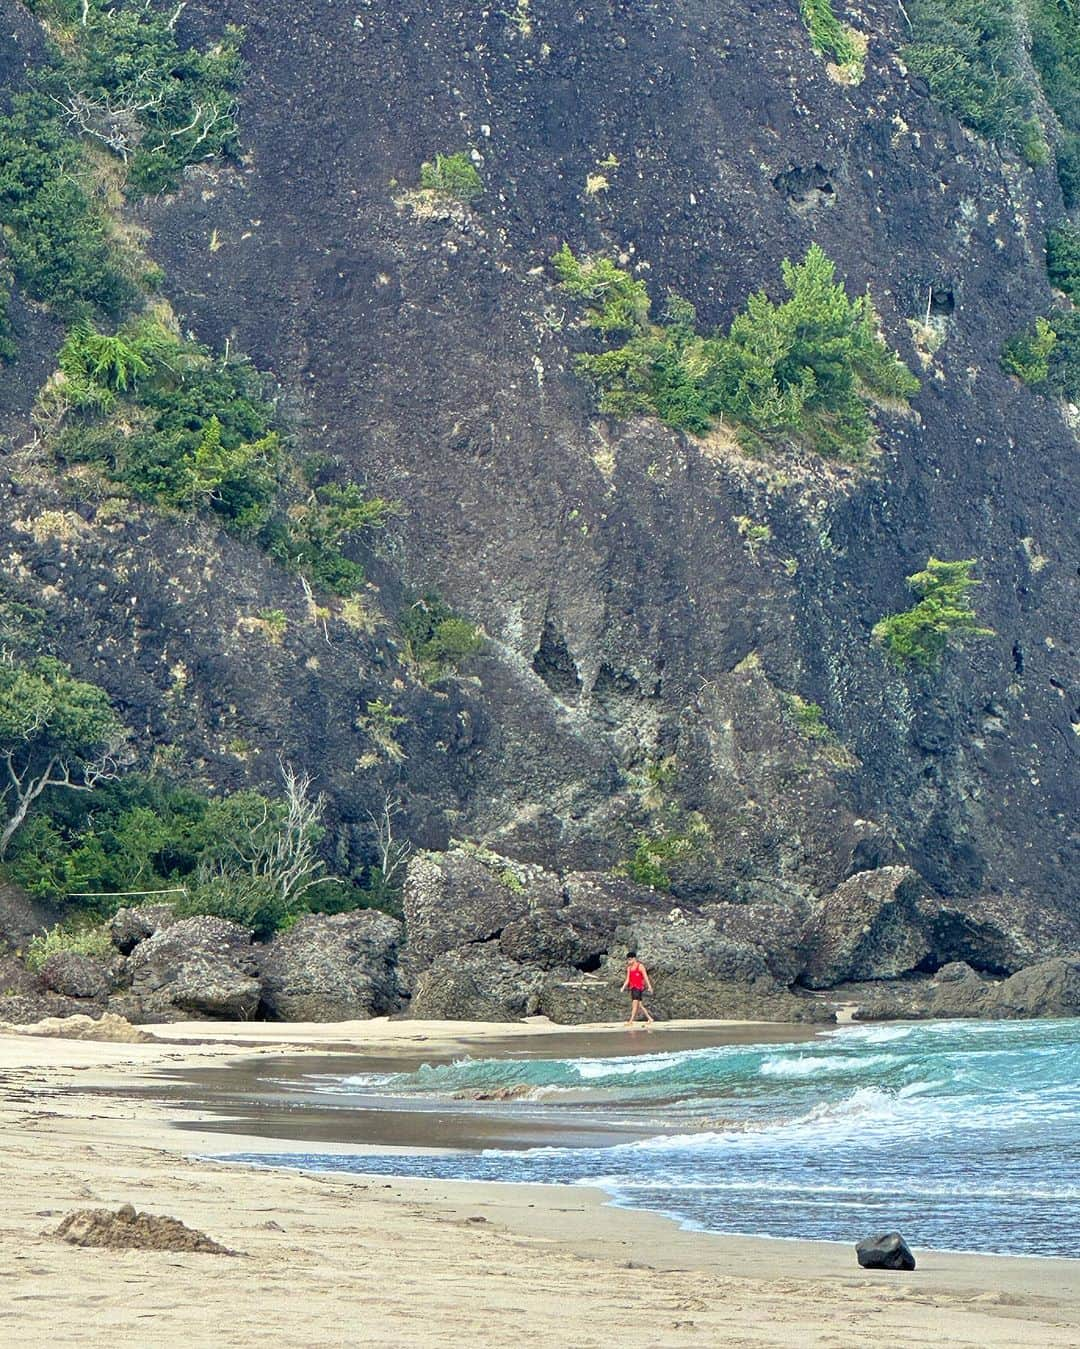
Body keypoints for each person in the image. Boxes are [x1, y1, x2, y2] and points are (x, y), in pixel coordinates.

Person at [621, 950, 654, 1025]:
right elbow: (627, 979)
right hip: (632, 988)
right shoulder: (629, 968)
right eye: (628, 960)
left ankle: (631, 1021)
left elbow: (645, 977)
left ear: (634, 958)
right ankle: (650, 1018)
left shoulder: (640, 966)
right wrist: (623, 987)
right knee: (639, 1005)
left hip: (638, 988)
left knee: (634, 1005)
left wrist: (649, 986)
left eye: (630, 959)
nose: (628, 961)